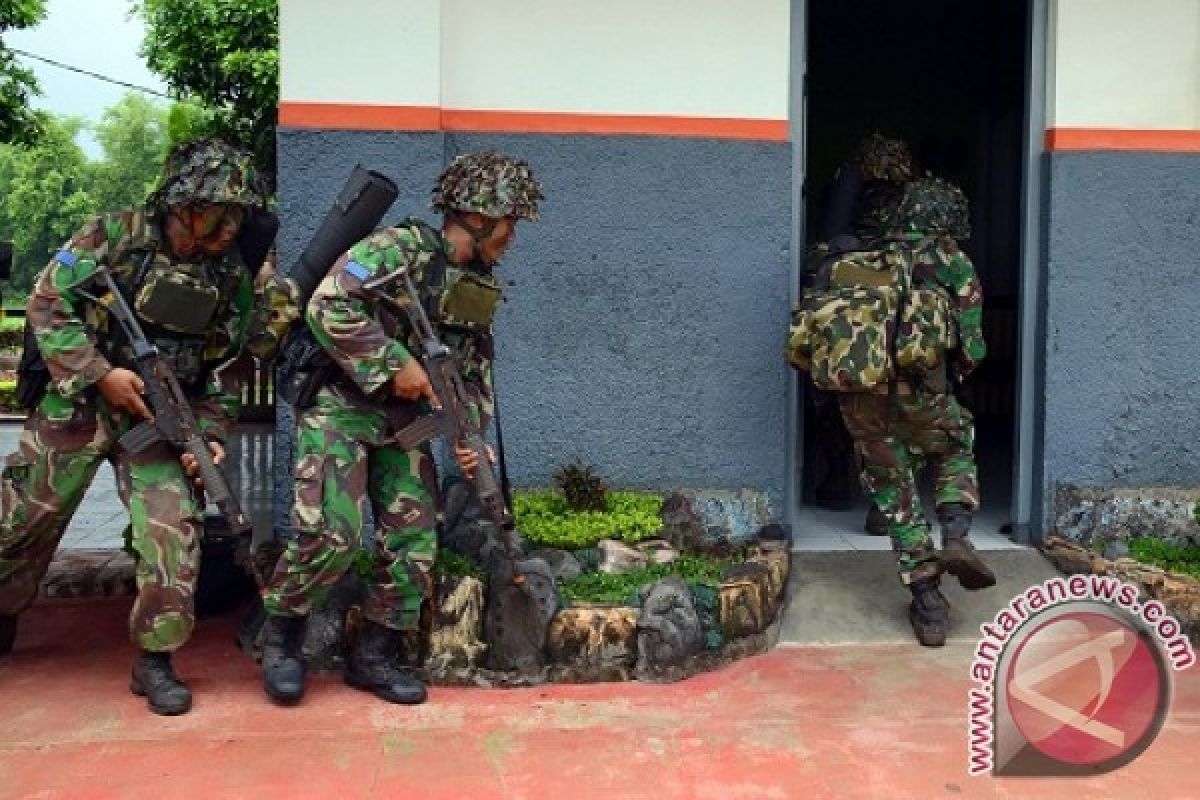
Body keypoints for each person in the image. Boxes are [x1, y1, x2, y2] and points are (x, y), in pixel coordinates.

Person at [258, 151, 542, 705]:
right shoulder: (400, 249)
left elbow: (474, 367)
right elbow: (328, 306)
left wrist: (472, 436)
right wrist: (394, 363)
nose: (513, 235)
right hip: (340, 406)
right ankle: (281, 637)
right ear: (479, 216)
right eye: (509, 222)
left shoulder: (477, 284)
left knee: (415, 539)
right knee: (331, 535)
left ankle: (375, 654)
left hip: (403, 423)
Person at [0, 138, 264, 714]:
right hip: (81, 402)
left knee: (174, 528)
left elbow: (227, 367)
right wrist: (100, 373)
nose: (230, 227)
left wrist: (210, 435)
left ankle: (154, 659)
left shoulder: (229, 277)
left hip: (159, 418)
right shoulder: (113, 236)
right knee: (23, 518)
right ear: (184, 204)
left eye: (239, 214)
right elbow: (48, 302)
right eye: (222, 211)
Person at [833, 176, 996, 647]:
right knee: (957, 441)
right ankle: (956, 532)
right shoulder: (952, 262)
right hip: (922, 393)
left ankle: (928, 606)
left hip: (861, 398)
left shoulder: (862, 260)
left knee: (896, 497)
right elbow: (974, 348)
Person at [808, 133, 915, 532]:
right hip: (896, 306)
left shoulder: (848, 179)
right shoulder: (911, 193)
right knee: (896, 404)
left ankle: (840, 481)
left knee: (837, 396)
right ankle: (884, 504)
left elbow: (830, 237)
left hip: (853, 305)